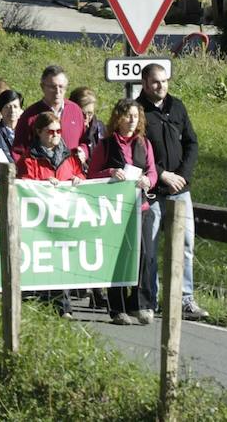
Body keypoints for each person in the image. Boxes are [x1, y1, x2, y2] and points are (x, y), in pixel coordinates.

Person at [139, 63, 208, 320]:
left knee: (186, 245)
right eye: (156, 82)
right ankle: (151, 298)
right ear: (145, 83)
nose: (161, 86)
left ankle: (184, 299)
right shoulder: (138, 111)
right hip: (154, 191)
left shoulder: (177, 106)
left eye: (165, 81)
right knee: (151, 246)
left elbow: (192, 142)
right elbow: (137, 151)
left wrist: (182, 175)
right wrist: (162, 174)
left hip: (180, 191)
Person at [88, 98, 158, 325]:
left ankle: (140, 304)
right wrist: (109, 172)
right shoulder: (106, 145)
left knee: (145, 255)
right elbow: (92, 174)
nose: (131, 121)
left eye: (135, 117)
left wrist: (148, 180)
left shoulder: (144, 144)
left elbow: (153, 171)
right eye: (127, 116)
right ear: (117, 118)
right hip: (115, 211)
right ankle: (117, 308)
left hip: (141, 207)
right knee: (117, 258)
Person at [17, 112, 85, 319]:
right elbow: (25, 183)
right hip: (40, 219)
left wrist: (77, 178)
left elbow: (80, 174)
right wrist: (44, 184)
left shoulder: (69, 156)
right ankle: (43, 305)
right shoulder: (29, 159)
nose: (55, 135)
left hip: (63, 217)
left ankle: (63, 306)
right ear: (39, 132)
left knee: (62, 259)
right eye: (50, 131)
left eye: (58, 131)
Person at [12, 65, 88, 162]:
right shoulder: (30, 116)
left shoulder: (75, 111)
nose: (57, 91)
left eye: (61, 86)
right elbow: (18, 152)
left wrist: (83, 151)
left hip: (72, 174)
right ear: (42, 87)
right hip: (41, 175)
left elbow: (85, 141)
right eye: (52, 87)